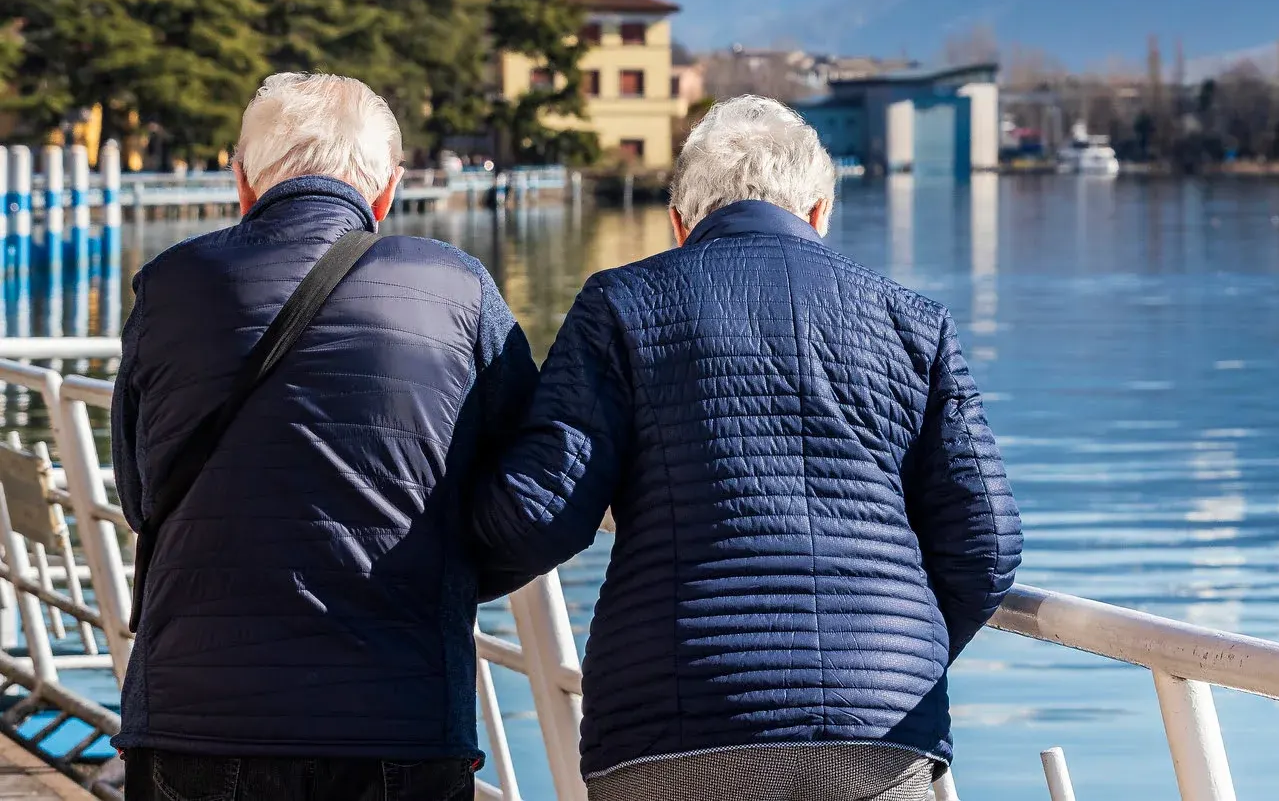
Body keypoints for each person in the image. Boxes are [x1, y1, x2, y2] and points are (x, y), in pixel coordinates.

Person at [470, 96, 1021, 801]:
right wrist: (896, 651)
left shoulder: (621, 304)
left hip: (677, 713)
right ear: (821, 211)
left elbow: (545, 509)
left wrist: (428, 568)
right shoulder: (916, 323)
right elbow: (989, 542)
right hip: (884, 725)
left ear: (679, 223)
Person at [112, 73, 537, 801]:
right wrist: (448, 566)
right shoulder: (460, 289)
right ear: (389, 189)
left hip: (197, 719)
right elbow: (535, 484)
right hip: (398, 718)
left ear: (242, 180)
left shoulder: (170, 285)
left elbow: (138, 490)